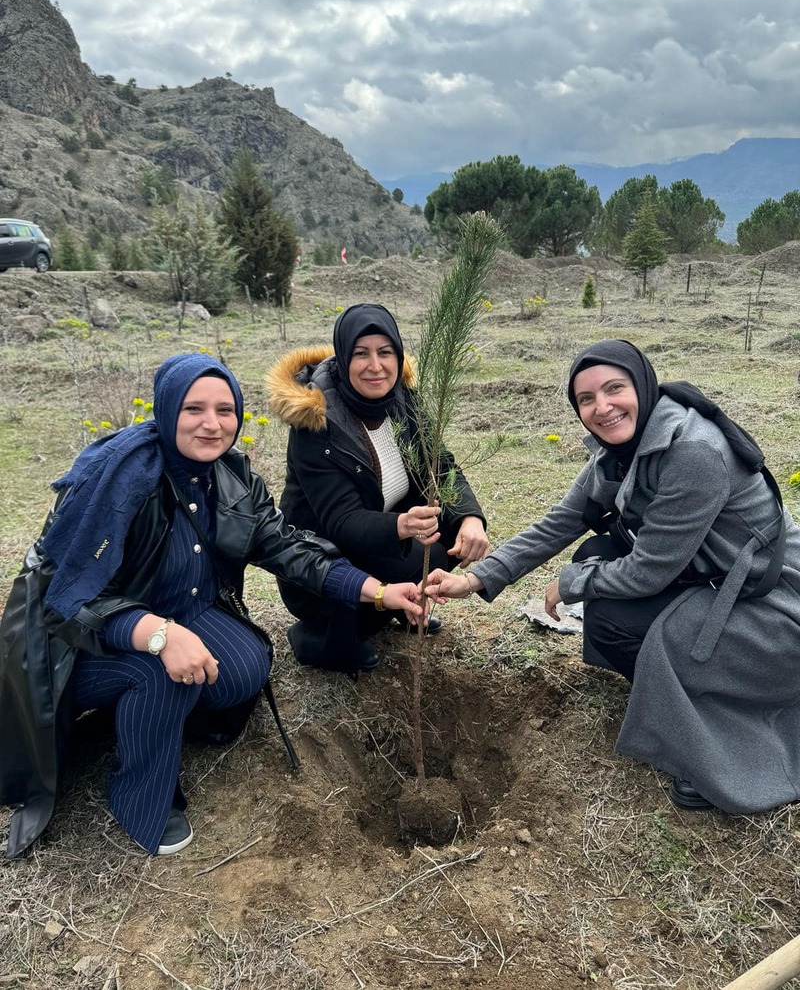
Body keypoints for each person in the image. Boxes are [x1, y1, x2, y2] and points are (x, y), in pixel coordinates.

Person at [0, 353, 424, 858]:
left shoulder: (231, 475)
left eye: (225, 410)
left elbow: (287, 547)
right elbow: (69, 600)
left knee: (245, 667)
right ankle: (139, 797)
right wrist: (159, 634)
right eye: (194, 409)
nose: (212, 424)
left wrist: (376, 590)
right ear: (167, 408)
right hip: (75, 647)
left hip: (183, 611)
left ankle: (139, 718)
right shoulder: (117, 485)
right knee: (166, 672)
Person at [425, 339, 800, 815]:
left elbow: (647, 572)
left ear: (642, 385)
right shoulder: (620, 451)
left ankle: (725, 737)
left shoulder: (693, 452)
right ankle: (677, 682)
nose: (602, 407)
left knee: (611, 610)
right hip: (715, 581)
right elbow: (562, 521)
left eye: (614, 389)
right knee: (599, 555)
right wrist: (476, 579)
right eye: (586, 399)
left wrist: (571, 582)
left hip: (773, 610)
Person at [266, 302, 489, 673]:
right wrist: (402, 526)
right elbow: (341, 520)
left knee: (447, 532)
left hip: (380, 539)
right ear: (342, 358)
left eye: (385, 353)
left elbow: (441, 466)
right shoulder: (316, 422)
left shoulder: (404, 400)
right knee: (387, 581)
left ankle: (401, 607)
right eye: (361, 354)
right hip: (322, 560)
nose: (376, 366)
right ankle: (320, 638)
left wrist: (470, 518)